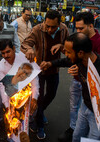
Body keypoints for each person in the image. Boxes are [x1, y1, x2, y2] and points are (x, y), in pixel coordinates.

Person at [42, 32, 100, 142]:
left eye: (69, 52)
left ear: (80, 53)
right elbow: (66, 61)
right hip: (85, 106)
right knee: (76, 137)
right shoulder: (81, 61)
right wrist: (50, 64)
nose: (67, 55)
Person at [58, 11, 100, 142]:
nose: (78, 31)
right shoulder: (77, 39)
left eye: (81, 28)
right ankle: (73, 128)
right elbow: (70, 58)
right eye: (77, 28)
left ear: (91, 26)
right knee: (76, 107)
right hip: (77, 80)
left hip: (92, 86)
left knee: (91, 115)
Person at [21, 9, 69, 139]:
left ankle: (38, 113)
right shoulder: (37, 29)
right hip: (39, 70)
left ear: (59, 24)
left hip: (54, 69)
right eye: (47, 26)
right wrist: (30, 49)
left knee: (52, 94)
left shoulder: (64, 30)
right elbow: (25, 43)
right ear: (44, 22)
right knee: (39, 98)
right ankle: (40, 124)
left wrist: (61, 45)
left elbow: (69, 48)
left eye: (53, 27)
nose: (49, 29)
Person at [0, 39, 39, 134]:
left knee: (34, 106)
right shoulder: (0, 66)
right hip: (8, 89)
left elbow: (34, 79)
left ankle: (31, 120)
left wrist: (35, 98)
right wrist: (7, 105)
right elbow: (2, 86)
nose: (6, 56)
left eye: (8, 51)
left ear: (13, 48)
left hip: (25, 88)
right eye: (3, 53)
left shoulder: (24, 59)